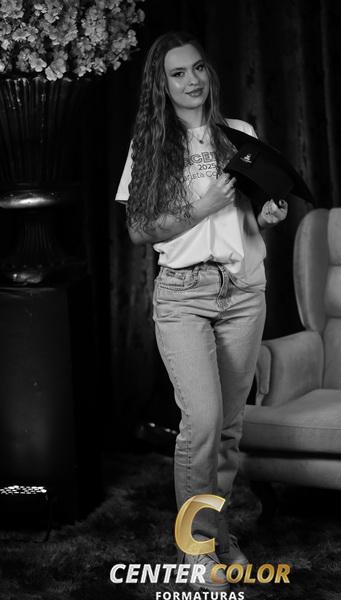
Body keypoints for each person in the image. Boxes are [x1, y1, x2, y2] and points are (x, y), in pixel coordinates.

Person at [115, 31, 288, 593]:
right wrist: (202, 205)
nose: (192, 81)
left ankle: (217, 535)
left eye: (197, 69)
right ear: (161, 86)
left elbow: (250, 215)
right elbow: (140, 230)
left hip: (243, 290)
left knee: (230, 429)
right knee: (204, 422)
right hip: (183, 294)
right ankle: (195, 550)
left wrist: (267, 216)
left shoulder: (239, 134)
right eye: (177, 73)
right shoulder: (151, 145)